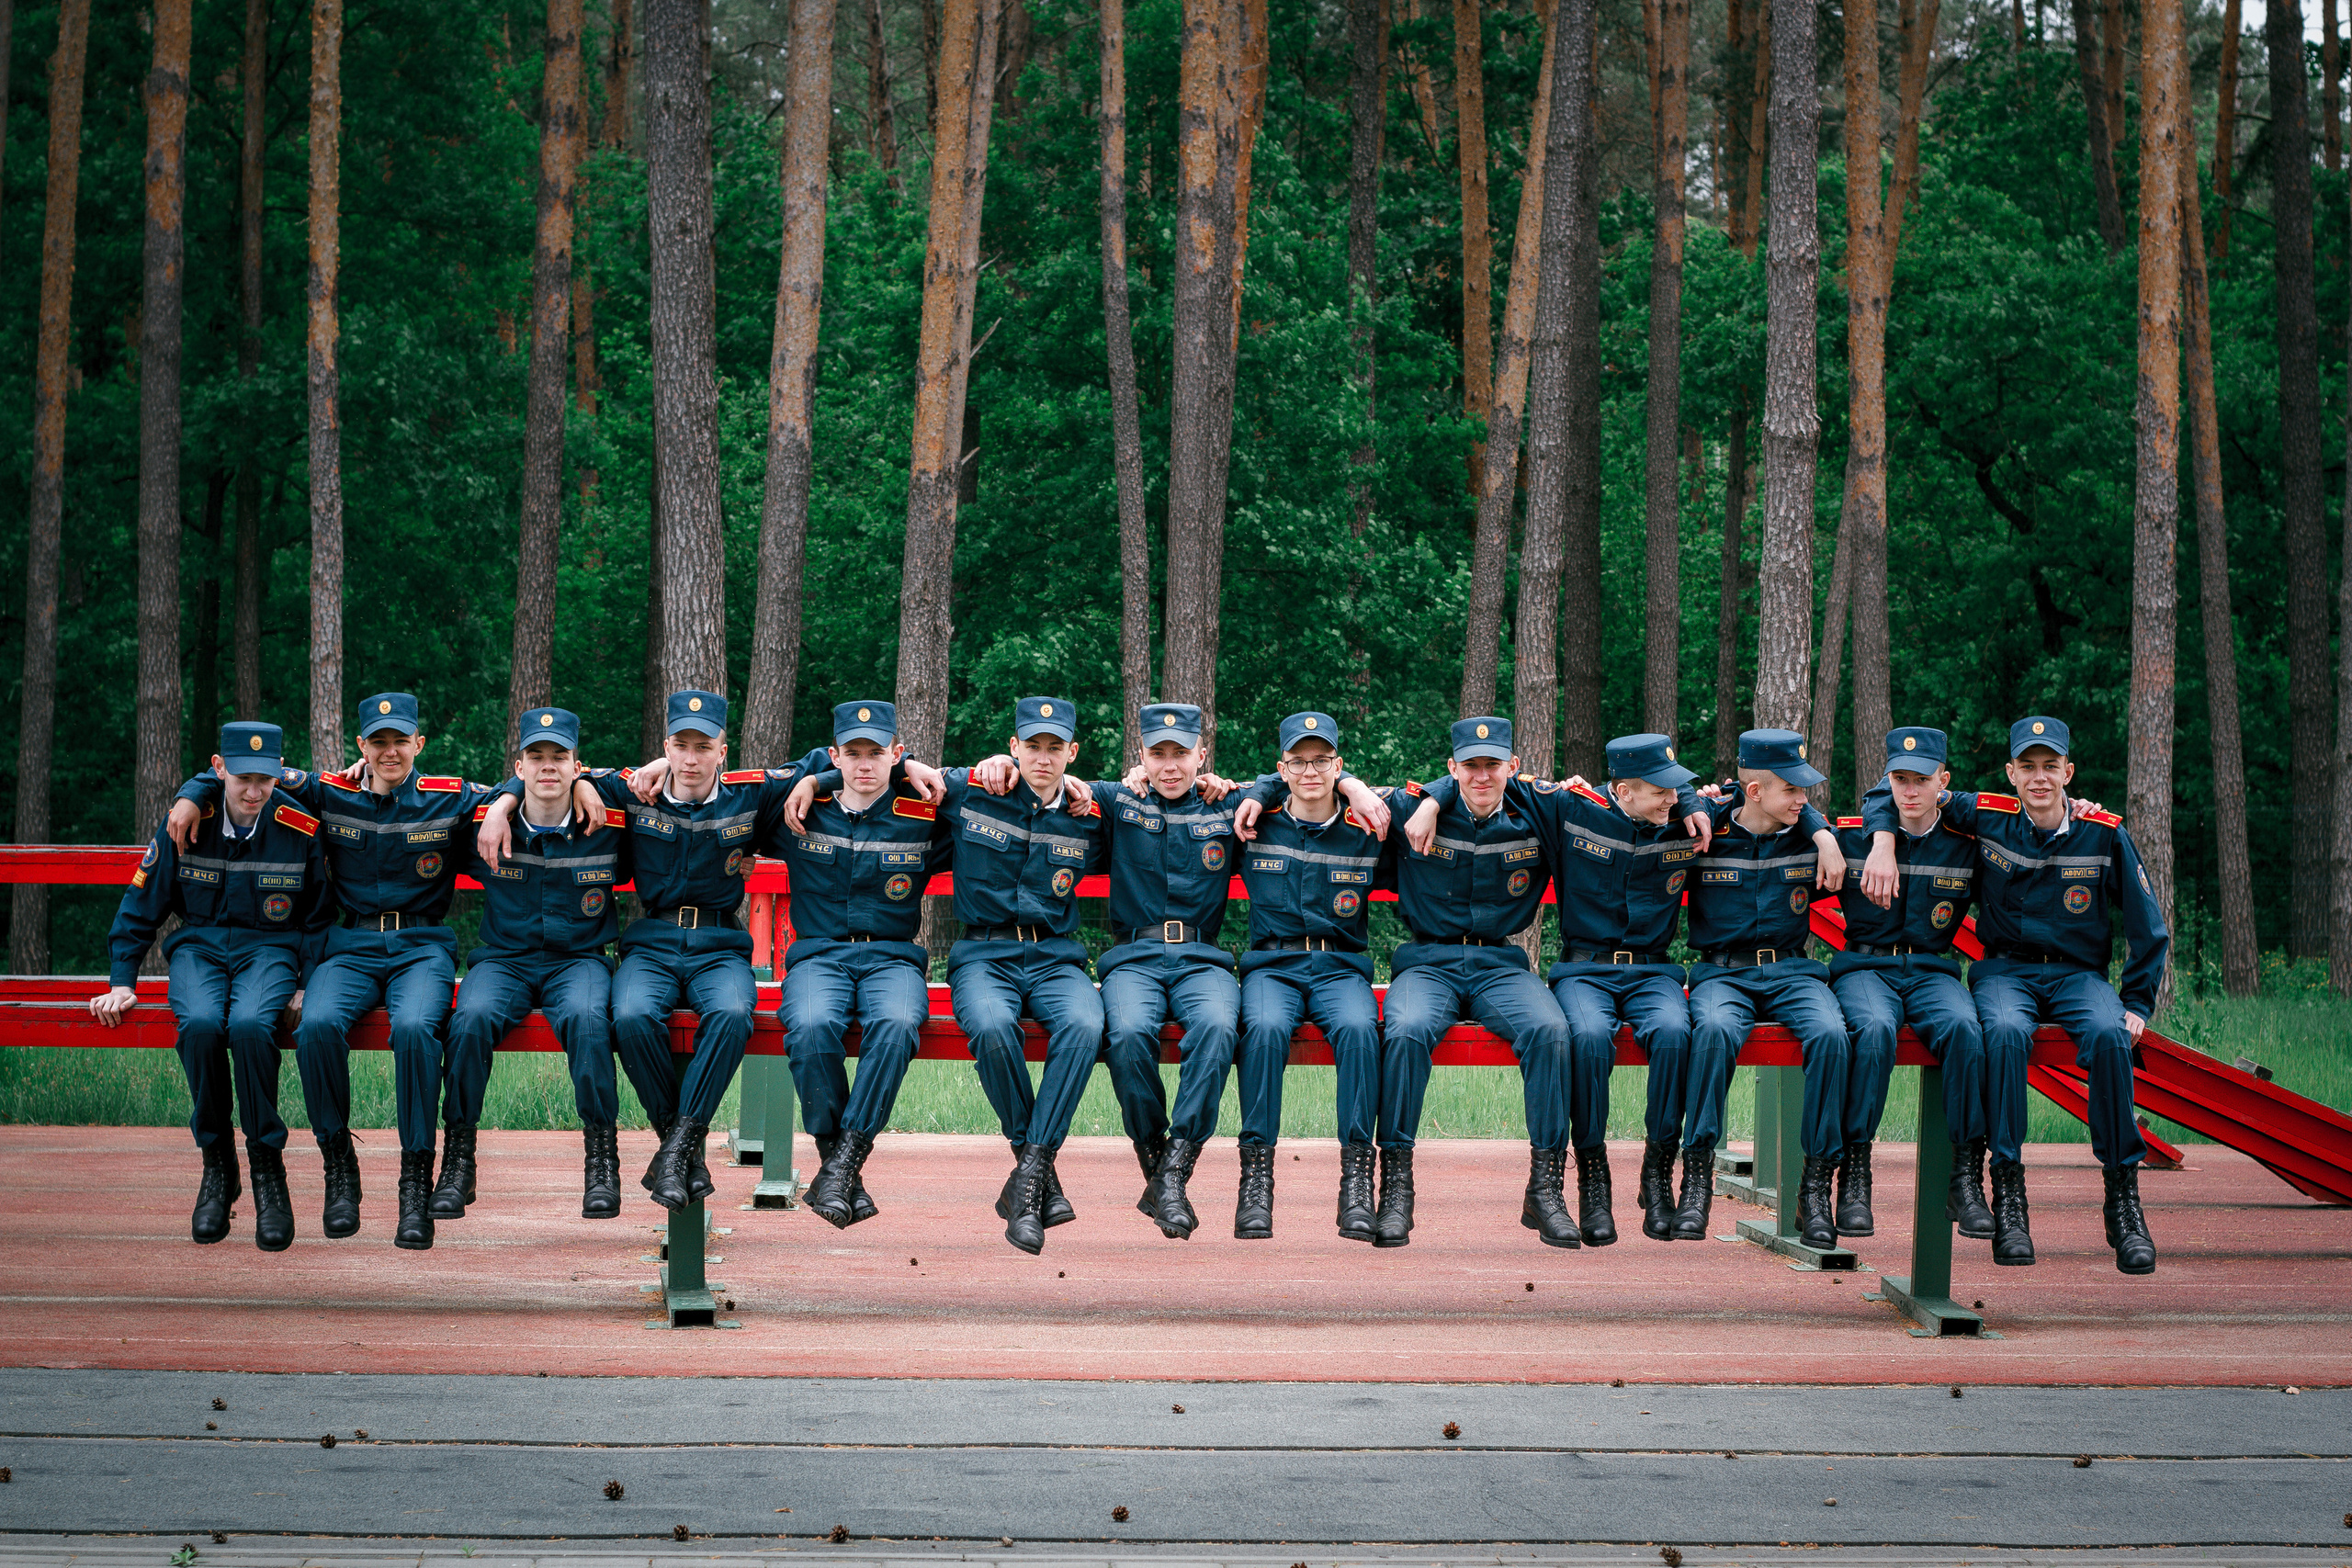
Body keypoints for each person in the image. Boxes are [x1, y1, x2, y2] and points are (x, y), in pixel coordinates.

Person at [166, 693, 518, 1250]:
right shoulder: (331, 790)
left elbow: (520, 784)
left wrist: (503, 805)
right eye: (378, 742)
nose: (390, 752)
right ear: (362, 746)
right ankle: (339, 1167)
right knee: (317, 1025)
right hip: (349, 945)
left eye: (400, 741)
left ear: (418, 744)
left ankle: (413, 1186)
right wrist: (194, 792)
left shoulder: (446, 800)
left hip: (420, 944)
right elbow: (249, 772)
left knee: (413, 1031)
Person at [480, 689, 832, 1213]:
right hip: (653, 943)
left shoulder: (748, 795)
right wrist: (506, 801)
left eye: (703, 746)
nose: (691, 759)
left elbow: (830, 757)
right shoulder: (632, 792)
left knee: (735, 1012)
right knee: (631, 1015)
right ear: (666, 746)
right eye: (680, 746)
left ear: (722, 751)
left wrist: (818, 779)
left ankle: (675, 1148)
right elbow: (550, 772)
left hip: (719, 946)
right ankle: (679, 1146)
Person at [792, 696, 1106, 1255]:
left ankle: (1031, 1173)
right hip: (984, 956)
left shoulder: (1092, 810)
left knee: (1085, 1025)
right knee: (990, 1028)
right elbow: (877, 768)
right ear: (1013, 747)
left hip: (1056, 958)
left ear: (1072, 752)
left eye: (1055, 747)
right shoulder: (967, 790)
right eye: (1031, 745)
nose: (1042, 756)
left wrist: (1256, 791)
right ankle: (848, 1161)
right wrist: (834, 774)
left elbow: (1158, 801)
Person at [1860, 715, 2169, 1275]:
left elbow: (2149, 926)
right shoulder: (1987, 815)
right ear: (2010, 773)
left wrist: (2137, 1004)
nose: (2039, 777)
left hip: (2079, 976)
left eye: (2051, 766)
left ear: (2068, 772)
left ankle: (2123, 1201)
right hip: (2004, 973)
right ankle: (2008, 1196)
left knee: (2107, 1037)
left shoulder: (2104, 832)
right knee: (2000, 1033)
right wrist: (1881, 837)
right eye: (2027, 767)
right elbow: (1897, 790)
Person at [1409, 734, 1710, 1246]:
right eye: (1664, 790)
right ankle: (1594, 1179)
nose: (1673, 798)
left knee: (1676, 1032)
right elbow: (1490, 779)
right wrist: (1436, 797)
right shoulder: (1571, 806)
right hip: (1584, 971)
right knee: (1587, 1037)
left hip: (1654, 972)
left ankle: (1658, 1175)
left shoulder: (1682, 816)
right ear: (1623, 788)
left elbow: (1756, 797)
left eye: (1676, 790)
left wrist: (1696, 802)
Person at [1314, 716, 1575, 1248]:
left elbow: (1629, 797)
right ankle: (1397, 1191)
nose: (1482, 777)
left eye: (1493, 766)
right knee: (1405, 1030)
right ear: (1452, 767)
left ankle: (1546, 1189)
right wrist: (1389, 790)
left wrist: (1690, 803)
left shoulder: (1539, 812)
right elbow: (1314, 781)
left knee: (1549, 1030)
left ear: (1512, 768)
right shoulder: (1410, 808)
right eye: (1470, 766)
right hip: (1427, 963)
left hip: (1500, 965)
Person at [95, 721, 334, 1250]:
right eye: (242, 778)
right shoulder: (185, 823)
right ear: (218, 768)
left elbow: (318, 919)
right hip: (199, 949)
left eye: (265, 781)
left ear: (278, 777)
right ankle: (217, 1165)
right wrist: (121, 981)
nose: (253, 792)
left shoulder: (299, 828)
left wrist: (307, 985)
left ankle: (268, 1171)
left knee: (250, 1026)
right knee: (202, 1026)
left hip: (271, 951)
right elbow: (141, 906)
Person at [1038, 702, 1242, 1242]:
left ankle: (1176, 1168)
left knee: (1219, 1029)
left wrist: (1358, 789)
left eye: (1182, 754)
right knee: (1126, 1035)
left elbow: (1295, 786)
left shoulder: (1228, 806)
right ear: (1142, 757)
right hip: (1134, 960)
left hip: (1204, 961)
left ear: (1202, 755)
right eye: (1158, 754)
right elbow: (1054, 781)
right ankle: (1159, 1164)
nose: (1170, 766)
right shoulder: (1114, 801)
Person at [443, 708, 632, 1221]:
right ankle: (459, 1159)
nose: (548, 767)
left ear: (577, 765)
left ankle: (601, 1160)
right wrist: (501, 803)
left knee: (590, 1022)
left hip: (579, 961)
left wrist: (592, 783)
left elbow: (658, 779)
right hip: (504, 961)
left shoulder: (607, 821)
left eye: (560, 757)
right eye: (536, 757)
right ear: (519, 765)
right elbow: (427, 796)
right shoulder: (484, 819)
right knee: (469, 1020)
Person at [768, 700, 952, 1227]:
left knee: (896, 1025)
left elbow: (985, 790)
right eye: (853, 754)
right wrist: (814, 779)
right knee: (807, 1025)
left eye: (878, 753)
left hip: (892, 959)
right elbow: (733, 783)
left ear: (895, 754)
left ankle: (844, 1161)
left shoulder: (921, 814)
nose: (865, 764)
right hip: (819, 957)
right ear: (835, 756)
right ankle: (839, 1163)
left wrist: (914, 763)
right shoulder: (799, 811)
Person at [1227, 711, 1400, 1240]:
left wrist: (1357, 789)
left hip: (1339, 967)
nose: (1309, 771)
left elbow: (1441, 792)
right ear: (1282, 768)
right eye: (1297, 762)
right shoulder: (1254, 820)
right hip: (1271, 967)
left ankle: (1355, 1184)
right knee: (1263, 1030)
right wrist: (1260, 788)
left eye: (1321, 760)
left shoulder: (1368, 826)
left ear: (1338, 765)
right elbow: (1193, 789)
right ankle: (1256, 1181)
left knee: (1358, 1031)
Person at [1821, 726, 1992, 1248]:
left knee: (1966, 1028)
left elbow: (2032, 821)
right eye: (1899, 779)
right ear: (1887, 779)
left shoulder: (1967, 845)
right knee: (1872, 1030)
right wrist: (1877, 839)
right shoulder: (1854, 835)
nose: (1910, 791)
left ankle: (1965, 1177)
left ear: (1945, 780)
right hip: (1866, 968)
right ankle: (1854, 1174)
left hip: (1931, 971)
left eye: (1922, 779)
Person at [1678, 729, 1849, 1248]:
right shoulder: (1705, 829)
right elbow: (1636, 798)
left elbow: (1879, 807)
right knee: (1711, 1031)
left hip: (1792, 972)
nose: (1804, 800)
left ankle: (1816, 1188)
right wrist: (1690, 797)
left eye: (1804, 791)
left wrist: (1821, 833)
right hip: (1723, 973)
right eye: (1792, 790)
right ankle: (1696, 1179)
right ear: (1754, 792)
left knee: (1831, 1035)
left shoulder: (1804, 830)